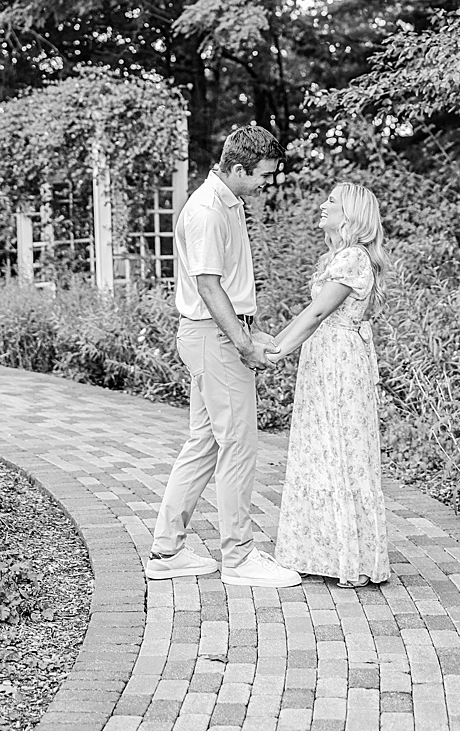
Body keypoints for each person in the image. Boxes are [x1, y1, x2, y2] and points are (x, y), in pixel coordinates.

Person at [146, 125, 301, 588]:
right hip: (213, 337)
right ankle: (239, 557)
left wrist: (251, 329)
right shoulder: (208, 211)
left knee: (206, 442)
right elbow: (209, 286)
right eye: (262, 176)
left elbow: (227, 286)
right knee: (239, 444)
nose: (265, 185)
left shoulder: (227, 203)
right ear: (237, 169)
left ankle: (167, 551)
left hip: (215, 334)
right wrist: (243, 342)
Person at [264, 182, 392, 588]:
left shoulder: (353, 258)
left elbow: (319, 312)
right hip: (325, 358)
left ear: (351, 215)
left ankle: (348, 557)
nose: (322, 205)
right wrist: (274, 344)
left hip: (338, 363)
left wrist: (275, 352)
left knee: (338, 449)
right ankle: (323, 550)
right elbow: (312, 314)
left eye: (332, 202)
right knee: (321, 448)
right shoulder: (338, 257)